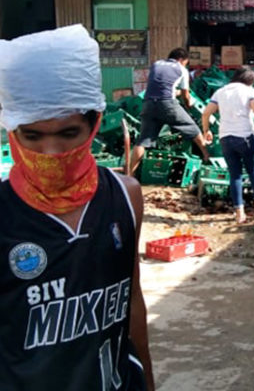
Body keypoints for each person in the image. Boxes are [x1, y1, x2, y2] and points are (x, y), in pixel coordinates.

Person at [0, 25, 154, 389]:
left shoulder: (125, 197)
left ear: (94, 125)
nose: (50, 153)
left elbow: (131, 301)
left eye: (68, 134)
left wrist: (148, 380)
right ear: (12, 133)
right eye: (32, 136)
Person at [201, 66, 254, 224]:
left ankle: (239, 213)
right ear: (250, 81)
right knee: (253, 170)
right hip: (245, 137)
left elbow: (206, 113)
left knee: (234, 174)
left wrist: (206, 130)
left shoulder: (221, 92)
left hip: (225, 138)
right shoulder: (249, 91)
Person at [130, 47, 209, 177]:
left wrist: (175, 93)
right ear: (181, 59)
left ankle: (130, 175)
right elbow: (186, 95)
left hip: (148, 103)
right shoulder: (181, 70)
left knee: (142, 141)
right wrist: (188, 105)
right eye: (186, 62)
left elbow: (161, 85)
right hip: (167, 105)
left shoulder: (156, 64)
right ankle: (207, 156)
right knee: (192, 128)